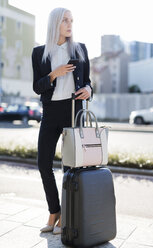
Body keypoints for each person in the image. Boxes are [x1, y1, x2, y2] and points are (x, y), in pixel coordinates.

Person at [31, 7, 93, 235]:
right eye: (65, 20)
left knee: (69, 168)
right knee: (43, 164)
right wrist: (53, 74)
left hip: (72, 112)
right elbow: (37, 87)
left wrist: (88, 89)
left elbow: (88, 83)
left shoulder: (79, 49)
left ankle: (65, 215)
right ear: (55, 23)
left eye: (71, 20)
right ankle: (54, 211)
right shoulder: (39, 53)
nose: (69, 24)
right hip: (50, 112)